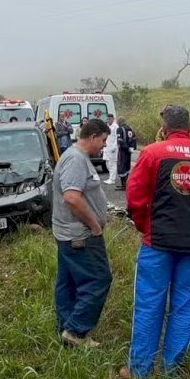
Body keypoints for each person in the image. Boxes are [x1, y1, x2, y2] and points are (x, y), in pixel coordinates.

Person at [121, 105, 190, 378]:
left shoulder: (152, 153)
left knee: (149, 305)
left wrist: (145, 227)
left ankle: (139, 371)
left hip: (157, 243)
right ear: (189, 127)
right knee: (185, 307)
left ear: (165, 128)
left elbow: (135, 199)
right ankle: (172, 370)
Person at [52, 118, 112, 348]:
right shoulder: (76, 160)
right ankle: (76, 332)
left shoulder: (76, 157)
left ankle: (65, 326)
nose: (104, 145)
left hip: (70, 233)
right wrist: (94, 226)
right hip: (80, 235)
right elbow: (72, 197)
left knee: (67, 281)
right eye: (104, 140)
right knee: (98, 279)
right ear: (94, 136)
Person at [115, 117, 137, 190]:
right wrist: (133, 147)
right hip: (129, 151)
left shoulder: (119, 129)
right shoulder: (130, 128)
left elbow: (120, 140)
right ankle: (127, 183)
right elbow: (134, 138)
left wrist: (125, 147)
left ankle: (124, 184)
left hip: (122, 150)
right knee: (127, 165)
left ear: (119, 122)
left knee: (121, 166)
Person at [103, 113, 119, 184]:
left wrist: (114, 147)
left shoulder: (116, 127)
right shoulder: (107, 126)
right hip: (106, 147)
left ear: (113, 119)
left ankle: (112, 179)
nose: (108, 120)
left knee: (112, 163)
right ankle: (110, 177)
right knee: (107, 163)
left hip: (112, 148)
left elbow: (117, 137)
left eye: (110, 119)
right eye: (108, 119)